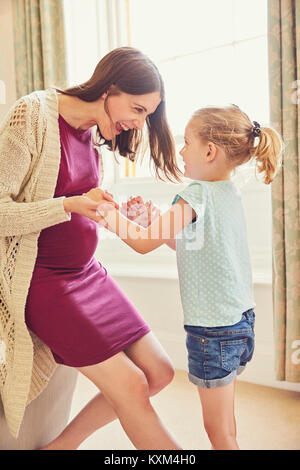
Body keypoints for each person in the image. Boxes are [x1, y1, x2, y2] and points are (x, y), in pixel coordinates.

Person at [0, 46, 184, 449]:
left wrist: (114, 210)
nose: (137, 123)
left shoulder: (93, 134)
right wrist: (67, 205)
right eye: (137, 110)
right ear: (109, 88)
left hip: (87, 274)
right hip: (43, 282)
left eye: (146, 116)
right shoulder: (31, 115)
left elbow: (78, 200)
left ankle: (59, 447)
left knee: (160, 373)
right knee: (134, 385)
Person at [87, 104, 283, 450]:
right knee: (227, 425)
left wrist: (106, 214)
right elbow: (189, 244)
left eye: (187, 142)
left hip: (213, 331)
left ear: (210, 151)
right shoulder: (227, 191)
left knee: (219, 433)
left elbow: (143, 245)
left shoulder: (194, 194)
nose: (180, 151)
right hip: (240, 322)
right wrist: (153, 217)